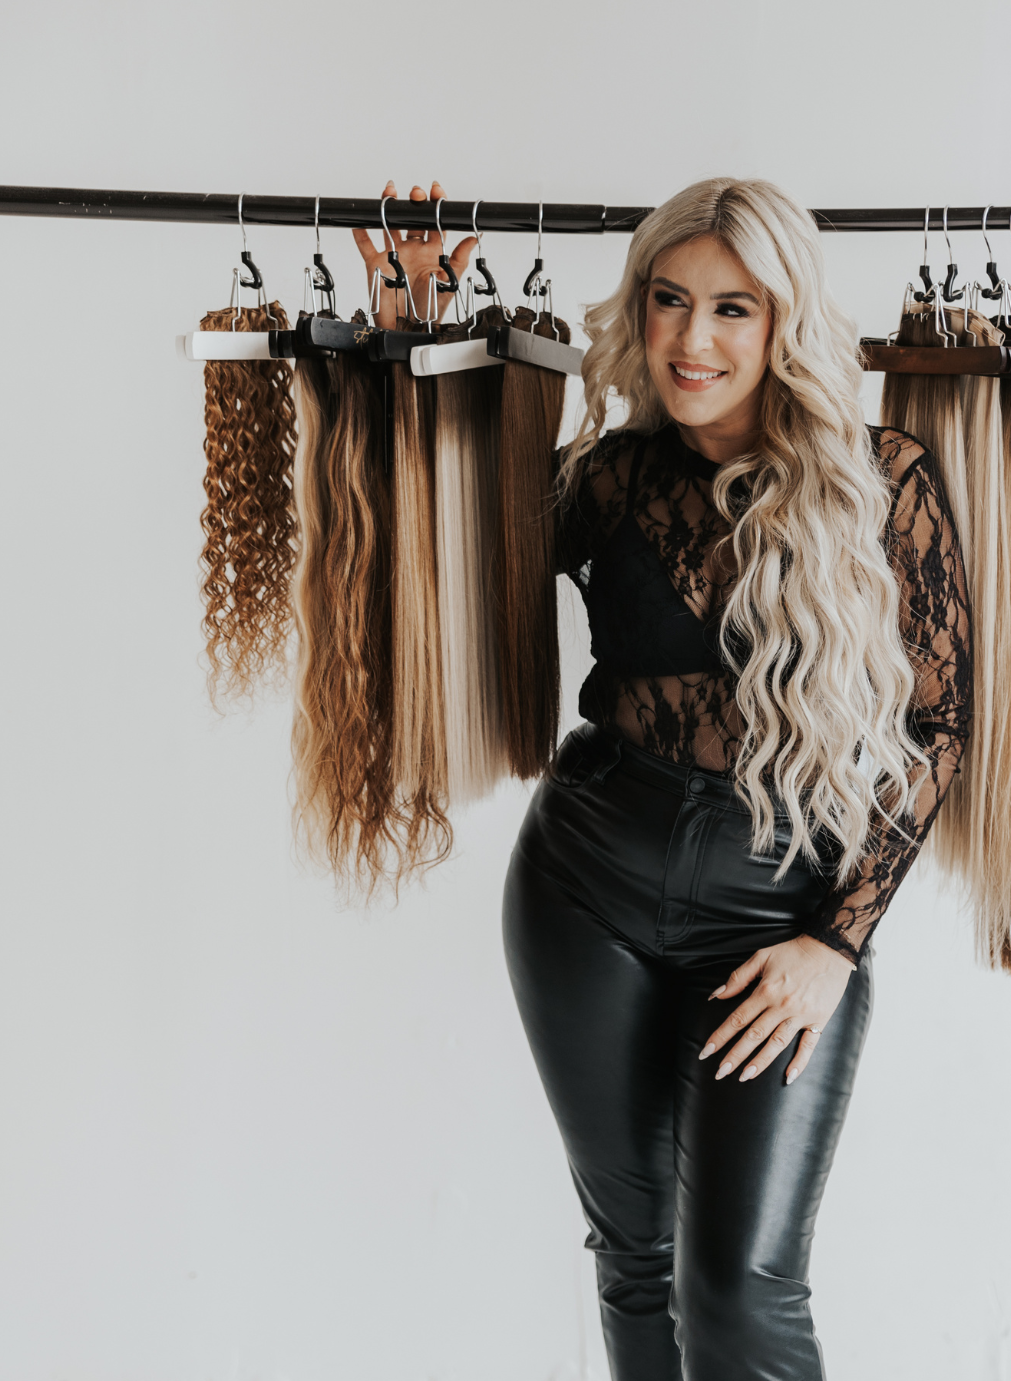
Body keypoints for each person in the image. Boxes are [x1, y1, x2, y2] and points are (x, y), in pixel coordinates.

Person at [354, 177, 972, 1381]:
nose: (693, 341)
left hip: (775, 921)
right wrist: (413, 334)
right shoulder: (609, 477)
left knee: (739, 1289)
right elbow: (440, 548)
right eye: (669, 300)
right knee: (633, 1255)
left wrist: (835, 945)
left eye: (733, 309)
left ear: (783, 321)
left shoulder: (879, 477)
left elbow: (937, 726)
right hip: (583, 893)